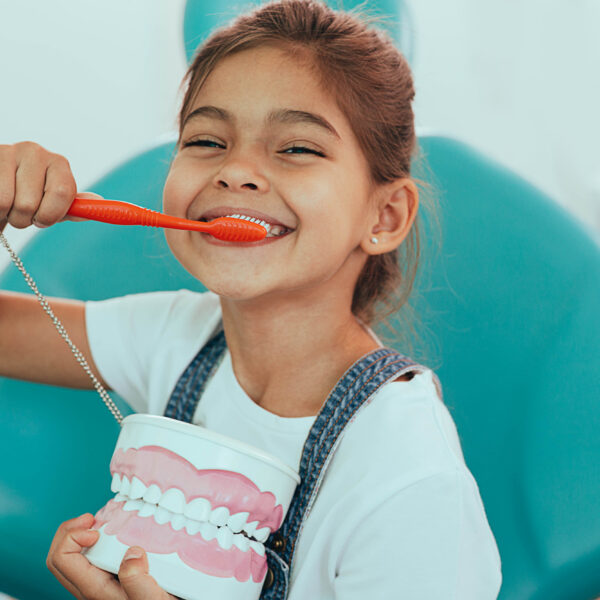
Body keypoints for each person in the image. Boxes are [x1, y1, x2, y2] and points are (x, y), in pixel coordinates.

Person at [0, 0, 502, 598]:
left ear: (385, 215)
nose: (236, 171)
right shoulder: (175, 338)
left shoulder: (410, 478)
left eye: (297, 148)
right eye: (208, 140)